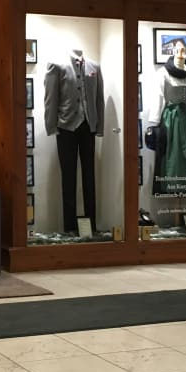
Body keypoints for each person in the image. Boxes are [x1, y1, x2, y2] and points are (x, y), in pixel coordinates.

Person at [44, 49, 104, 234]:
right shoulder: (57, 66)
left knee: (89, 177)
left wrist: (100, 126)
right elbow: (50, 98)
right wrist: (51, 126)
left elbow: (99, 98)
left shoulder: (94, 66)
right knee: (68, 178)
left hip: (88, 126)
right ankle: (69, 227)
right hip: (66, 127)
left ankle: (90, 226)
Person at [147, 42, 186, 194]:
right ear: (173, 52)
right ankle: (173, 187)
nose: (181, 52)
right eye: (178, 50)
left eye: (184, 50)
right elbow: (158, 97)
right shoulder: (163, 72)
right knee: (173, 155)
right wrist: (154, 124)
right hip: (172, 120)